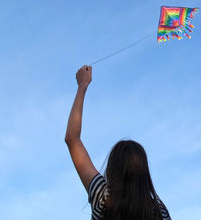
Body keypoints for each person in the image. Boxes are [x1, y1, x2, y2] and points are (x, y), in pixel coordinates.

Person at [65, 65, 171, 220]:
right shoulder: (159, 211)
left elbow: (72, 139)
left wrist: (82, 86)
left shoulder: (103, 197)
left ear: (112, 169)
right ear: (144, 173)